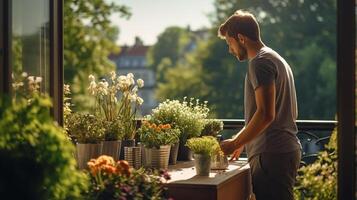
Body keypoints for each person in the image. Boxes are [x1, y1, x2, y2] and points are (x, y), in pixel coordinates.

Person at [218, 10, 302, 200]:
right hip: (282, 150)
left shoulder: (259, 63)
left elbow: (265, 114)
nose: (230, 50)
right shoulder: (274, 58)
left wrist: (235, 143)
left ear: (240, 38)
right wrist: (243, 140)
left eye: (229, 43)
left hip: (270, 154)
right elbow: (264, 113)